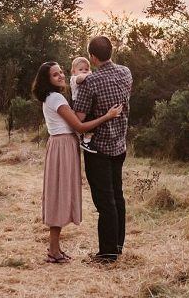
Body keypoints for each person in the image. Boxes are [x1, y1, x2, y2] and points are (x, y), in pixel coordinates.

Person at [32, 61, 123, 264]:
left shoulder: (54, 97)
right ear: (47, 80)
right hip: (62, 147)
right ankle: (53, 251)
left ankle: (55, 249)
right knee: (59, 197)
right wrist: (106, 116)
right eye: (55, 75)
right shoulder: (56, 98)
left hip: (62, 145)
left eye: (61, 73)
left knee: (60, 196)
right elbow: (79, 127)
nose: (61, 76)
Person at [73, 36, 133, 264]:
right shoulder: (126, 72)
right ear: (111, 51)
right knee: (117, 197)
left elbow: (78, 117)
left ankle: (107, 254)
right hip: (119, 144)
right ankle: (117, 246)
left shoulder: (91, 82)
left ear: (93, 57)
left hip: (98, 148)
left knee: (105, 201)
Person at [69, 56, 98, 154]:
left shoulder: (86, 78)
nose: (84, 71)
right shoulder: (74, 79)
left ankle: (85, 138)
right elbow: (80, 78)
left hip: (86, 103)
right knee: (88, 120)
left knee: (92, 118)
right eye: (80, 69)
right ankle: (86, 141)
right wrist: (89, 74)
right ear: (73, 71)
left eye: (86, 69)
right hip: (77, 103)